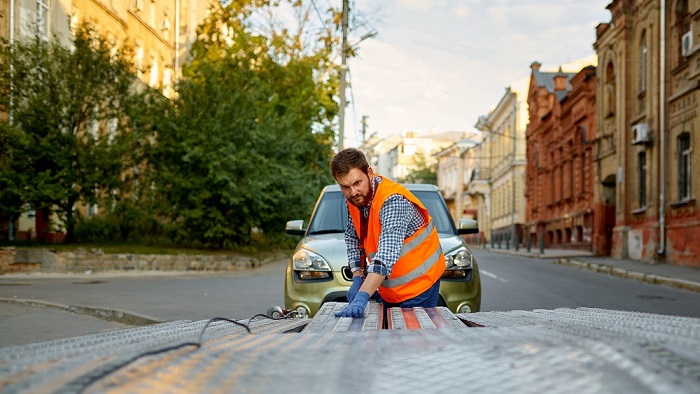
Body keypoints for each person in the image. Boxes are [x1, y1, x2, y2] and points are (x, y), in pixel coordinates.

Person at [330, 148, 446, 318]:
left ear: (369, 173)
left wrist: (362, 296)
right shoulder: (355, 199)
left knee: (412, 341)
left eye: (357, 183)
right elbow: (353, 237)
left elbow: (385, 255)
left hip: (420, 286)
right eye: (345, 186)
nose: (353, 192)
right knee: (389, 340)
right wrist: (357, 276)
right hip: (389, 288)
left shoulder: (393, 201)